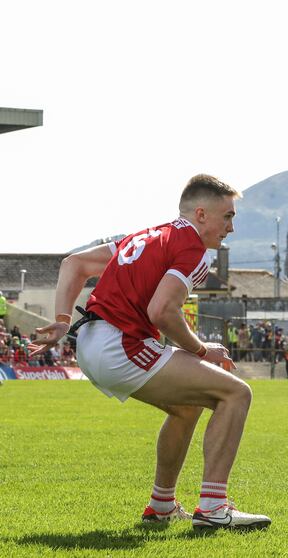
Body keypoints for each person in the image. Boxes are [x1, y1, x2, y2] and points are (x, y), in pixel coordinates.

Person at [27, 174, 270, 532]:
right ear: (201, 215)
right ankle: (214, 508)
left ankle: (161, 506)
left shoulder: (147, 235)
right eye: (228, 216)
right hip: (121, 345)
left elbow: (73, 264)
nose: (231, 227)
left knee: (187, 407)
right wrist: (202, 350)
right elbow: (162, 312)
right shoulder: (191, 246)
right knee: (236, 393)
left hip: (97, 341)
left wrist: (63, 320)